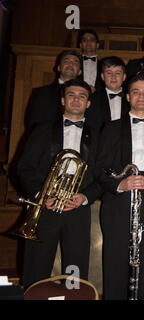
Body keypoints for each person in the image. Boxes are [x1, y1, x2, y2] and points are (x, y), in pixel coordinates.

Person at [17, 79, 102, 288]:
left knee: (76, 267)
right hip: (45, 205)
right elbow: (24, 168)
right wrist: (42, 193)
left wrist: (84, 197)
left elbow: (102, 175)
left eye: (82, 96)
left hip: (77, 207)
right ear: (62, 100)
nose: (76, 100)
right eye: (71, 95)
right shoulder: (42, 130)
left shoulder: (98, 135)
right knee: (37, 265)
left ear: (88, 103)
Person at [96, 72, 144, 300]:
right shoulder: (110, 128)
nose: (141, 96)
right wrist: (120, 183)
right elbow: (98, 169)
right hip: (118, 203)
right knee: (115, 263)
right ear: (128, 96)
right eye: (136, 92)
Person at [26, 49, 83, 130]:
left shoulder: (87, 95)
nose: (70, 64)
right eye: (66, 61)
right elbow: (33, 124)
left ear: (79, 71)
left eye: (75, 62)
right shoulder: (41, 93)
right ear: (59, 67)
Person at [88, 56, 129, 131]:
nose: (113, 77)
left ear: (124, 77)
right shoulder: (92, 99)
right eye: (109, 73)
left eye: (118, 73)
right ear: (102, 76)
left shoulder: (132, 98)